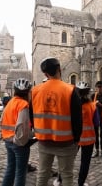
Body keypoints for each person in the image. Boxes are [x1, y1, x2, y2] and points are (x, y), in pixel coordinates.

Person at [31, 57, 82, 186]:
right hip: (66, 142)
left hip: (44, 141)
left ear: (45, 74)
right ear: (59, 69)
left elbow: (31, 116)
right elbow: (77, 120)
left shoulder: (35, 91)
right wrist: (76, 139)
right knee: (66, 175)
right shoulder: (71, 90)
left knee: (42, 174)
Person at [0, 78, 33, 186]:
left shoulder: (10, 102)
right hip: (18, 143)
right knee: (20, 173)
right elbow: (22, 127)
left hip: (8, 140)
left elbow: (1, 121)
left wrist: (2, 135)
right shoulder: (23, 105)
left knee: (10, 169)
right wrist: (21, 142)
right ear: (28, 92)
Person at [76, 81, 100, 186]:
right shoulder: (92, 106)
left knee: (68, 159)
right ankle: (80, 183)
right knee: (85, 163)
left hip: (74, 138)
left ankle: (59, 179)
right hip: (89, 138)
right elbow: (97, 123)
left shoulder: (73, 106)